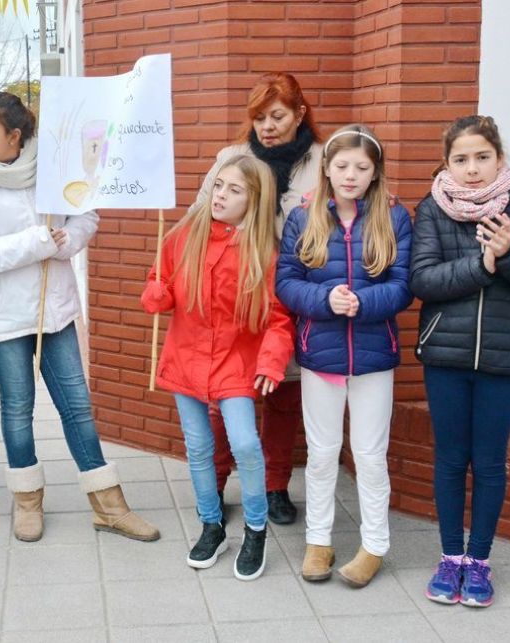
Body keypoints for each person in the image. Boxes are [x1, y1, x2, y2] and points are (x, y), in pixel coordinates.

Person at [0, 92, 159, 543]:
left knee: (77, 406)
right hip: (6, 319)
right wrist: (34, 242)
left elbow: (86, 217)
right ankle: (27, 499)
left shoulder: (55, 172)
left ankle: (108, 503)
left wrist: (66, 242)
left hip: (56, 312)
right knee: (17, 409)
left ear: (14, 136)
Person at [411, 115, 510, 608]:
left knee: (490, 462)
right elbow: (424, 281)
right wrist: (482, 265)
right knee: (452, 460)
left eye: (481, 157)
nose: (472, 169)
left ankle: (479, 563)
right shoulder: (432, 209)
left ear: (499, 158)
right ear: (447, 162)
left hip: (504, 355)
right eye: (461, 159)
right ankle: (450, 557)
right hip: (445, 355)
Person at [142, 155, 293, 581]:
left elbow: (278, 319)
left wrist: (269, 361)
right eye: (218, 185)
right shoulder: (182, 236)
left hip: (236, 363)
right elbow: (163, 285)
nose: (221, 195)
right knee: (198, 447)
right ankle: (211, 524)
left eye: (234, 190)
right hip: (186, 360)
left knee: (245, 444)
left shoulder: (264, 251)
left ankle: (256, 528)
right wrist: (155, 293)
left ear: (255, 200)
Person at [275, 125, 413, 587]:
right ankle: (319, 541)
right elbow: (287, 282)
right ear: (327, 170)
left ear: (375, 173)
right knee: (321, 453)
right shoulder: (302, 218)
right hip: (322, 356)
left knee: (370, 455)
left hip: (374, 357)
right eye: (341, 166)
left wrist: (365, 303)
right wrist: (324, 300)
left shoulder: (394, 219)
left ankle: (374, 545)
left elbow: (403, 284)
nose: (350, 175)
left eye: (361, 167)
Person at [191, 72, 324, 525]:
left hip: (291, 293)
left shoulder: (323, 162)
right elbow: (199, 216)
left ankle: (274, 487)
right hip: (235, 293)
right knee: (225, 396)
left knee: (283, 396)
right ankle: (215, 482)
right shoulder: (233, 158)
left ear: (300, 114)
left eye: (278, 116)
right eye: (259, 117)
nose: (267, 126)